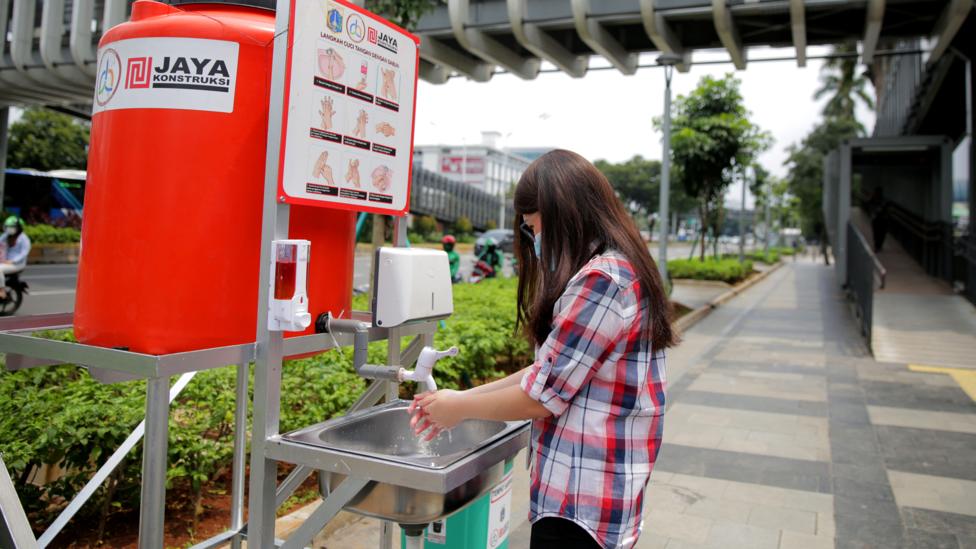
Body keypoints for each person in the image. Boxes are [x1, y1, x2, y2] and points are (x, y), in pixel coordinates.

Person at [409, 150, 677, 549]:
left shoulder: (601, 280)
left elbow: (541, 397)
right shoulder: (617, 268)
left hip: (582, 504)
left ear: (564, 215)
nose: (533, 240)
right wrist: (459, 398)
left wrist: (459, 409)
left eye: (534, 227)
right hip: (591, 493)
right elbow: (546, 370)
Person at [0, 216, 31, 300]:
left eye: (11, 227)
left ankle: (1, 291)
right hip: (5, 262)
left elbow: (24, 253)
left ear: (18, 228)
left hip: (17, 264)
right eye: (8, 227)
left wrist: (13, 261)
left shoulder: (24, 239)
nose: (9, 229)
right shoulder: (6, 236)